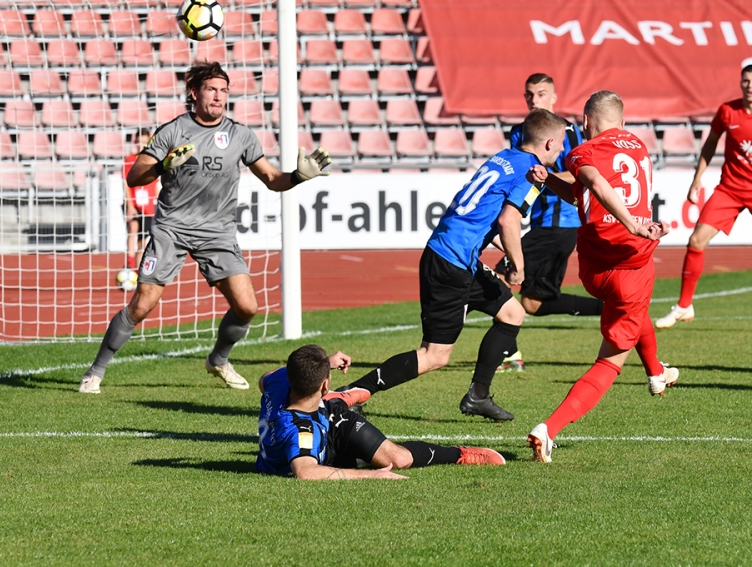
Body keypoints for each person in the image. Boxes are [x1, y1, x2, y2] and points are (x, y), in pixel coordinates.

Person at [79, 62, 332, 394]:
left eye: (224, 90)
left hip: (217, 232)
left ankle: (218, 359)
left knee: (247, 307)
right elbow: (134, 176)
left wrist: (298, 176)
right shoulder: (172, 131)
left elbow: (272, 179)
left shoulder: (241, 134)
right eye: (212, 89)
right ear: (194, 93)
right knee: (142, 304)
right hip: (171, 228)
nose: (219, 96)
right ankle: (95, 372)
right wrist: (163, 165)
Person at [338, 109, 568, 422]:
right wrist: (519, 266)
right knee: (434, 355)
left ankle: (478, 395)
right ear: (550, 142)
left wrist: (504, 251)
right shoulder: (532, 173)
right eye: (561, 144)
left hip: (457, 257)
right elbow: (508, 220)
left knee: (513, 313)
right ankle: (348, 394)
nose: (561, 150)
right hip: (451, 263)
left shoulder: (505, 157)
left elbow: (485, 218)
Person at [526, 91, 677, 463]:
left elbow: (584, 191)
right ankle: (549, 429)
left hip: (594, 270)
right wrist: (633, 224)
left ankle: (657, 372)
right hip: (631, 263)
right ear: (623, 122)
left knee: (635, 309)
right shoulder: (639, 147)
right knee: (610, 362)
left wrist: (548, 181)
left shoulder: (581, 151)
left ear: (586, 121)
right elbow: (594, 183)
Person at [655, 64, 752, 335]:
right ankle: (684, 305)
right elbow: (710, 144)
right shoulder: (727, 111)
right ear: (741, 83)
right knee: (696, 240)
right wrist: (697, 178)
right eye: (746, 81)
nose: (750, 85)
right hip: (729, 190)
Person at [257, 344, 506, 479]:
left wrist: (323, 363)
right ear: (324, 384)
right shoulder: (301, 432)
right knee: (399, 460)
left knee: (394, 458)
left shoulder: (279, 382)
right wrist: (372, 476)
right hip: (323, 435)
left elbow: (265, 379)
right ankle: (459, 453)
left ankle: (342, 398)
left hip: (325, 417)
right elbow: (306, 472)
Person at [497, 74, 604, 373]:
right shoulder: (519, 133)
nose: (534, 100)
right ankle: (611, 309)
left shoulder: (566, 132)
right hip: (543, 224)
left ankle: (509, 354)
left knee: (499, 277)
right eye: (529, 94)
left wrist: (550, 180)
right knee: (533, 302)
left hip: (562, 223)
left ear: (554, 98)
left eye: (541, 94)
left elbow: (583, 173)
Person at [123, 129, 158, 270]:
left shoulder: (153, 160)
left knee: (142, 241)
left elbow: (155, 185)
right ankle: (129, 263)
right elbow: (126, 183)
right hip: (134, 202)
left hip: (148, 206)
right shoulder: (130, 160)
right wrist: (129, 205)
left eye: (144, 142)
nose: (140, 145)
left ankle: (137, 270)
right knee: (133, 227)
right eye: (138, 142)